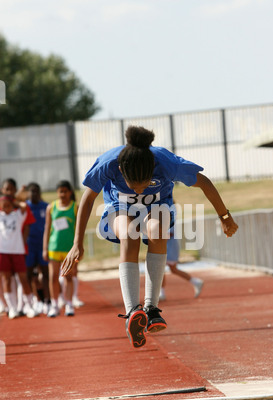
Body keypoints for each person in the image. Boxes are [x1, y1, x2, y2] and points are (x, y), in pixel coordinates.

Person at [61, 126, 238, 349]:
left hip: (157, 207)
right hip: (119, 208)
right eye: (132, 186)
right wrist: (77, 243)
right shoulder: (109, 163)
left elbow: (204, 182)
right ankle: (132, 311)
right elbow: (87, 200)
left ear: (152, 169)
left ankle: (151, 308)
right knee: (129, 235)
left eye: (144, 184)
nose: (138, 191)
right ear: (120, 170)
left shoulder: (165, 162)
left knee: (157, 231)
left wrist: (224, 215)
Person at [1, 178, 36, 315]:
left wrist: (11, 200)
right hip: (3, 252)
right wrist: (5, 200)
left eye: (8, 205)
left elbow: (23, 207)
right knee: (6, 279)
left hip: (17, 251)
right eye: (3, 205)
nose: (5, 207)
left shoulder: (18, 214)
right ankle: (12, 308)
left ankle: (29, 306)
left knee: (23, 278)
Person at [43, 180, 77, 317]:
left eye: (65, 191)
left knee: (68, 276)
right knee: (53, 276)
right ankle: (55, 304)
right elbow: (47, 228)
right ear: (57, 193)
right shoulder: (51, 207)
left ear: (70, 192)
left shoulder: (75, 207)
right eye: (60, 191)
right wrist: (44, 248)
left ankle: (69, 304)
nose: (63, 194)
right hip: (54, 247)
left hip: (69, 248)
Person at [25, 182, 50, 314]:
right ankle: (36, 300)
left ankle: (47, 301)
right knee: (29, 275)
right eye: (31, 191)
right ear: (27, 193)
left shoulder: (46, 207)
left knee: (45, 274)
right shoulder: (24, 207)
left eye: (36, 191)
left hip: (42, 246)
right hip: (29, 246)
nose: (34, 193)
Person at [159, 229, 203, 301]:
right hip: (167, 245)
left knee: (161, 268)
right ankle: (196, 282)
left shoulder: (170, 218)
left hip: (169, 246)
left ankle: (162, 293)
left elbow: (168, 234)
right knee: (173, 269)